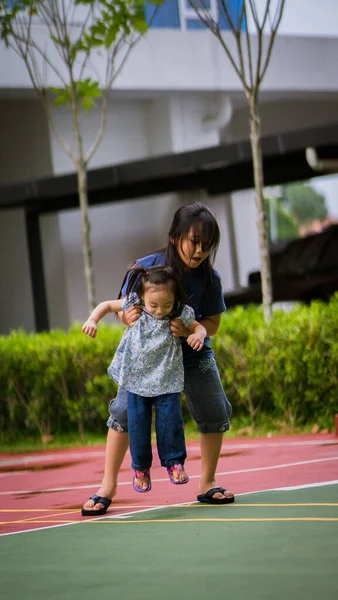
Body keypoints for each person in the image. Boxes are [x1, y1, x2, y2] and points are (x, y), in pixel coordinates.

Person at [81, 202, 234, 517]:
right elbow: (125, 312)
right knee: (123, 411)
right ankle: (107, 487)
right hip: (147, 359)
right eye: (195, 241)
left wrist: (196, 331)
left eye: (208, 245)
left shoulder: (209, 279)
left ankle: (207, 482)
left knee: (215, 409)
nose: (200, 251)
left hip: (190, 352)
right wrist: (129, 317)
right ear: (176, 236)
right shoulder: (145, 268)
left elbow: (213, 324)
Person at [82, 265, 207, 503]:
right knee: (137, 426)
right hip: (136, 380)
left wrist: (197, 335)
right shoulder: (135, 304)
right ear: (143, 297)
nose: (160, 311)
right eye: (154, 305)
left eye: (166, 305)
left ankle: (174, 462)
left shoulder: (180, 312)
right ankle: (140, 468)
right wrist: (92, 320)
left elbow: (198, 326)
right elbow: (107, 306)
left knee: (170, 423)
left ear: (175, 299)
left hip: (166, 379)